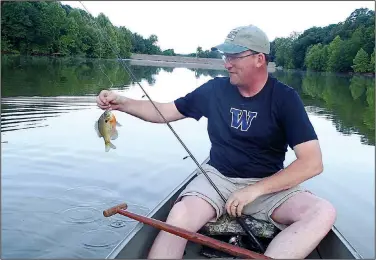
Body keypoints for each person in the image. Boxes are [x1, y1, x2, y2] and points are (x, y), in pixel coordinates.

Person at [96, 24, 337, 259]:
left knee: (322, 212)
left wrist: (255, 190)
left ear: (259, 59)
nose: (227, 63)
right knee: (179, 217)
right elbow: (165, 111)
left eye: (235, 56)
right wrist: (123, 103)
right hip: (217, 179)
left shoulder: (285, 98)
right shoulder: (215, 90)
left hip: (267, 184)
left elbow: (312, 163)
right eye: (225, 56)